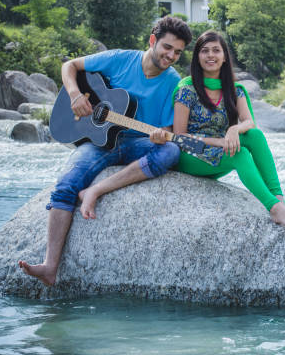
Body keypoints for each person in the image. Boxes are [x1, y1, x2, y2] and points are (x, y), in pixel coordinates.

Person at [18, 16, 193, 286]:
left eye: (178, 52)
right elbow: (70, 66)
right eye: (167, 48)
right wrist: (76, 95)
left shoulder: (173, 82)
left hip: (137, 143)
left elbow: (169, 129)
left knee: (170, 151)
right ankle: (49, 266)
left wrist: (160, 134)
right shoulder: (121, 59)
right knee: (66, 185)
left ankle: (96, 190)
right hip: (98, 141)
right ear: (152, 40)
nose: (171, 56)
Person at [173, 30, 285, 226]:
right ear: (197, 57)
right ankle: (274, 209)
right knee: (240, 154)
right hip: (192, 154)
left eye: (216, 50)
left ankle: (279, 199)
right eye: (205, 51)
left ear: (225, 56)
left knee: (255, 136)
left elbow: (248, 122)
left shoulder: (235, 90)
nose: (210, 55)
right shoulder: (187, 89)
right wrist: (219, 141)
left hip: (219, 152)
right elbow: (180, 137)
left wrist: (233, 130)